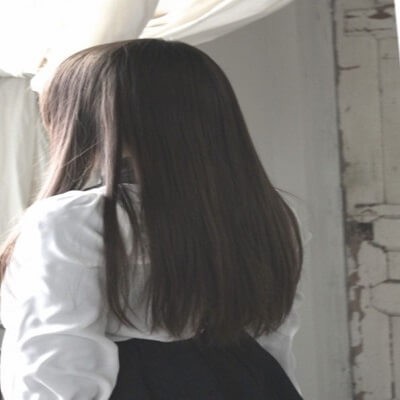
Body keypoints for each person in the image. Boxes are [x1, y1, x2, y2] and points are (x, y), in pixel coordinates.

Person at [0, 38, 306, 399]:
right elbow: (272, 346)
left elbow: (55, 364)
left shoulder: (76, 220)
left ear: (93, 123)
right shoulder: (268, 215)